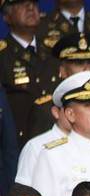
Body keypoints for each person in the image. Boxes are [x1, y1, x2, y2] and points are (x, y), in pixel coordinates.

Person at [1, 0, 60, 143]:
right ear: (7, 17)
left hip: (57, 138)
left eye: (33, 2)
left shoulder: (53, 50)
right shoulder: (3, 56)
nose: (30, 7)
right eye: (21, 3)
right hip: (21, 141)